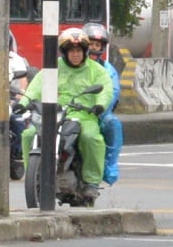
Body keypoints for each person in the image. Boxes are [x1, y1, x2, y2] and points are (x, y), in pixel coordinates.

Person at [22, 27, 113, 183]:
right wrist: (23, 103)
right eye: (71, 51)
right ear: (64, 52)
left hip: (84, 116)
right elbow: (36, 87)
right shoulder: (53, 67)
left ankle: (91, 181)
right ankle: (32, 176)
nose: (75, 54)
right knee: (29, 134)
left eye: (78, 51)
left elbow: (106, 90)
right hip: (53, 114)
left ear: (85, 51)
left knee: (90, 138)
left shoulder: (97, 70)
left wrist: (100, 105)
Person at [84, 21, 124, 186]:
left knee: (112, 123)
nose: (94, 48)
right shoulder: (66, 64)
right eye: (90, 44)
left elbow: (112, 92)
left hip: (96, 114)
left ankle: (108, 166)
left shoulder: (108, 70)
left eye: (97, 45)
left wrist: (99, 108)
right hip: (69, 111)